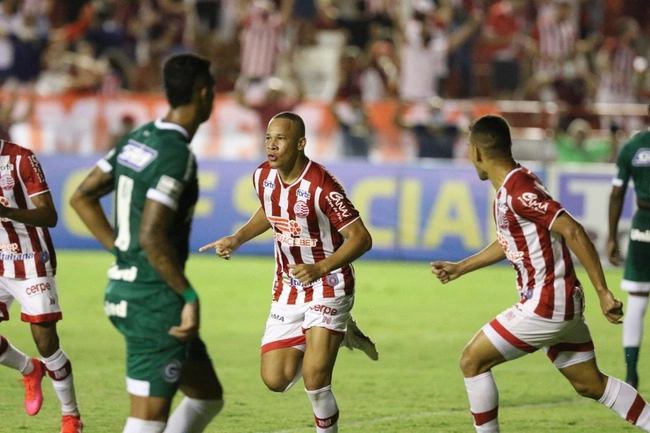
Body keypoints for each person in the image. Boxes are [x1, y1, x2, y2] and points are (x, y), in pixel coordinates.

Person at [431, 114, 650, 433]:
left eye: (469, 149)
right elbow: (510, 240)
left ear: (477, 152)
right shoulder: (512, 187)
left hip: (547, 303)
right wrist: (461, 267)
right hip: (558, 302)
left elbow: (573, 230)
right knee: (590, 384)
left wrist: (603, 291)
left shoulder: (519, 190)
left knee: (472, 361)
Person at [69, 53, 224, 433]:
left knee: (206, 396)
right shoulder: (177, 155)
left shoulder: (138, 138)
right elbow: (151, 235)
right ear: (203, 94)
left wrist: (120, 249)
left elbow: (82, 196)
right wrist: (188, 296)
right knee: (146, 420)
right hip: (152, 301)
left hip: (126, 286)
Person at [200, 111, 375, 433]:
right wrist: (237, 238)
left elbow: (361, 238)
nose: (271, 145)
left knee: (315, 379)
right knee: (275, 380)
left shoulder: (322, 185)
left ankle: (328, 333)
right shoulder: (262, 176)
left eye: (280, 138)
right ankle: (336, 334)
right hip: (288, 287)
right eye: (268, 137)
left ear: (301, 143)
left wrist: (320, 267)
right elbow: (271, 209)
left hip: (329, 282)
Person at [0, 139, 83, 432]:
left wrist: (5, 212)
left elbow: (49, 215)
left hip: (30, 258)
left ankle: (70, 416)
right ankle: (29, 369)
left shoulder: (20, 158)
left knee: (46, 342)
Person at [607, 105, 650, 390]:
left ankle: (631, 372)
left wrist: (612, 237)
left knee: (637, 298)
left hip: (643, 224)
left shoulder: (633, 147)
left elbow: (617, 193)